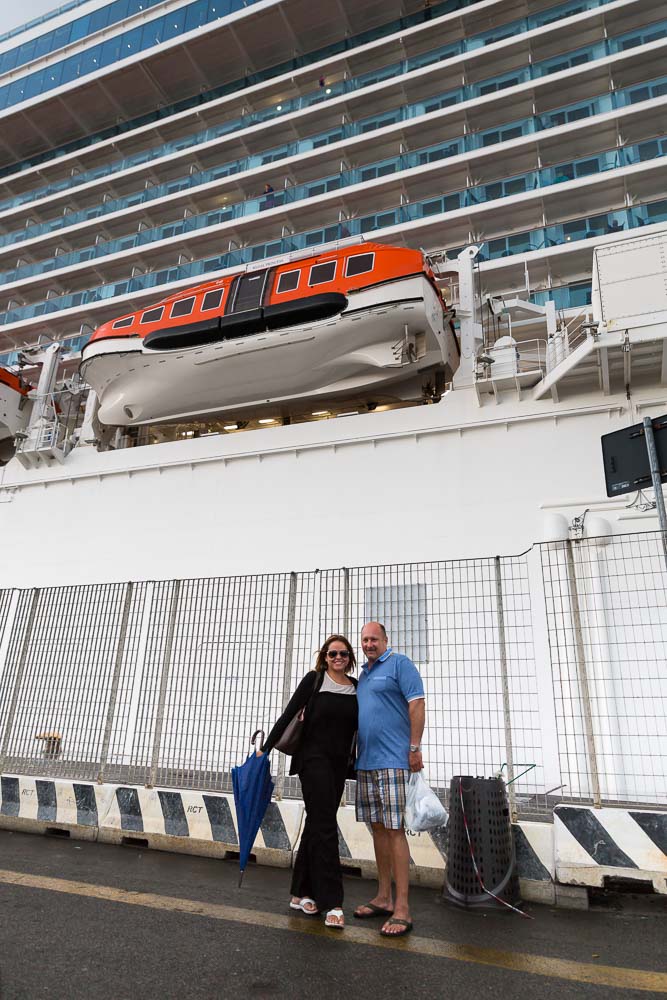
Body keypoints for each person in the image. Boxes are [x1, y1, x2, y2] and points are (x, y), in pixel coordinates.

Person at [259, 634, 358, 928]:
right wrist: (263, 751)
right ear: (324, 657)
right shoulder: (315, 680)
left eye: (343, 654)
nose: (338, 658)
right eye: (332, 654)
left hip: (339, 765)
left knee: (317, 822)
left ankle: (299, 892)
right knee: (326, 823)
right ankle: (333, 902)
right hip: (312, 761)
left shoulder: (357, 688)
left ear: (350, 658)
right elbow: (288, 714)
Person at [353, 622, 425, 937]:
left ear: (386, 640)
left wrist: (414, 748)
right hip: (366, 762)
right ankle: (383, 897)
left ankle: (403, 908)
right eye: (365, 640)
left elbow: (417, 704)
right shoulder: (364, 676)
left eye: (374, 639)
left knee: (395, 831)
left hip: (394, 762)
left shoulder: (400, 664)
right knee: (378, 829)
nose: (369, 644)